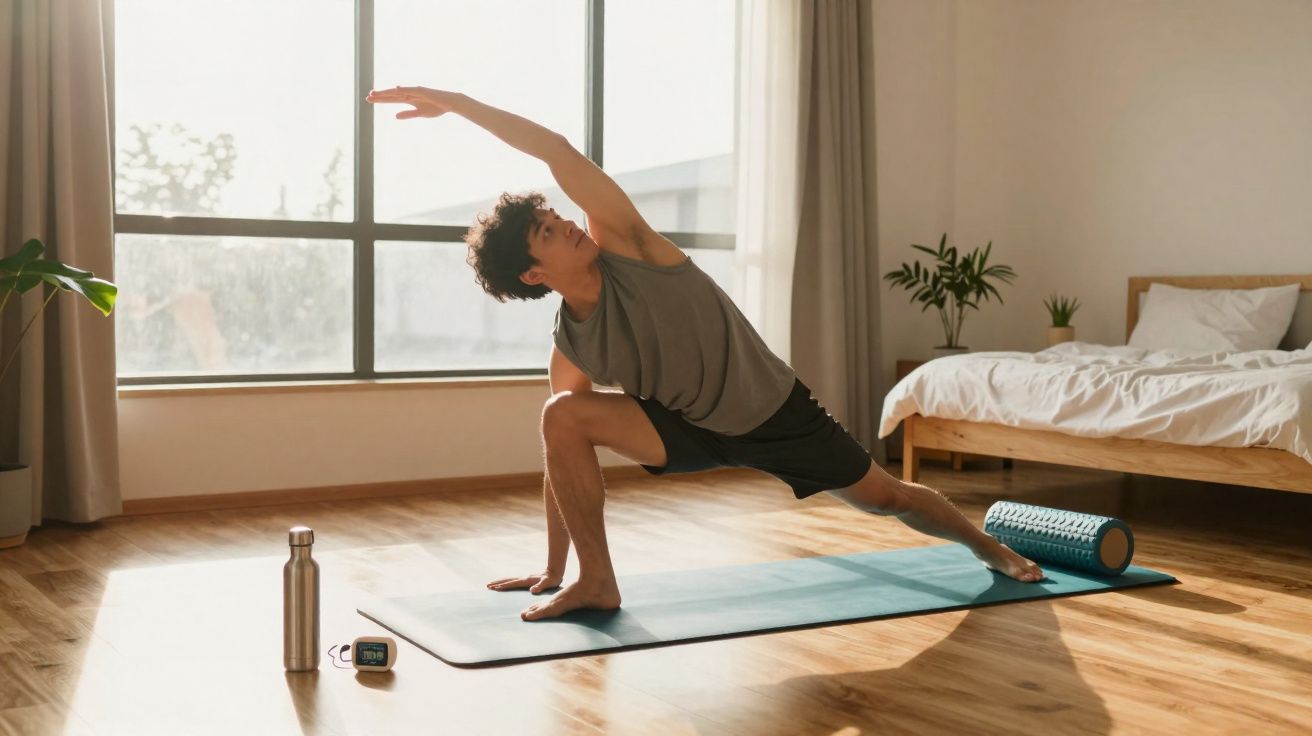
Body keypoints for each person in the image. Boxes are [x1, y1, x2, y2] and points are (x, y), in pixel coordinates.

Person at [365, 86, 1045, 621]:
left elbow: (557, 150)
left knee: (886, 498)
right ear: (534, 275)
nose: (568, 223)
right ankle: (594, 582)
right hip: (690, 430)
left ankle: (988, 545)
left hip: (774, 412)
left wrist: (455, 104)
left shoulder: (629, 242)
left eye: (556, 217)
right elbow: (559, 459)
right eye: (548, 231)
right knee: (561, 416)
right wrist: (552, 565)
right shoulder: (572, 342)